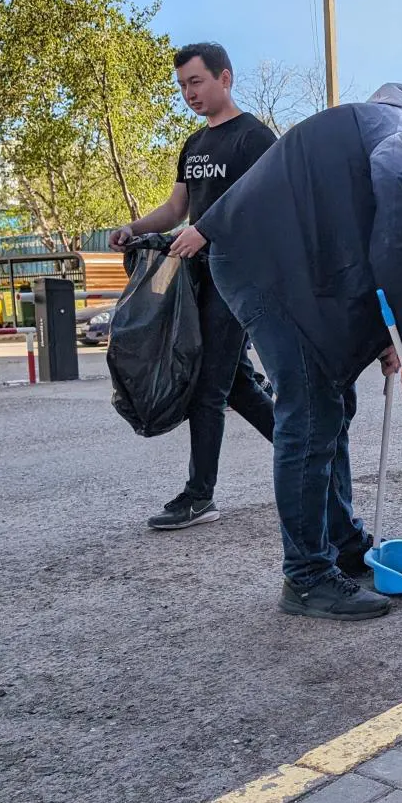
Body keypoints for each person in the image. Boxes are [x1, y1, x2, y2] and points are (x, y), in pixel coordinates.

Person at [192, 81, 402, 621]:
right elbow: (397, 249)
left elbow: (365, 236)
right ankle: (307, 577)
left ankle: (342, 545)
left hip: (293, 264)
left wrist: (385, 338)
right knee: (311, 411)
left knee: (334, 403)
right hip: (266, 266)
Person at [108, 43, 278, 531]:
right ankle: (312, 453)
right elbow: (177, 209)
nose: (189, 93)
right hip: (193, 279)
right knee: (236, 384)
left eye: (196, 82)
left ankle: (199, 495)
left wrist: (214, 233)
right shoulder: (194, 145)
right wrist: (135, 229)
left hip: (237, 279)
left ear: (225, 78)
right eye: (182, 85)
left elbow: (264, 209)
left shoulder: (254, 139)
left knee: (209, 385)